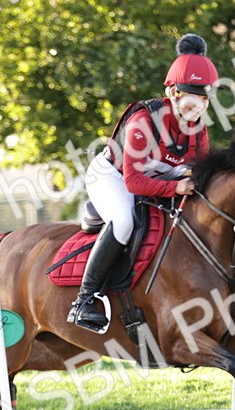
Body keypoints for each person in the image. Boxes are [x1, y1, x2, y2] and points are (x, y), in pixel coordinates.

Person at [67, 33, 218, 333]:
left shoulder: (199, 131)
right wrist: (175, 188)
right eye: (193, 97)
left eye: (204, 99)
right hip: (114, 177)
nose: (199, 106)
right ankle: (84, 300)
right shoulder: (144, 123)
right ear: (173, 93)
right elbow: (135, 182)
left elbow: (199, 175)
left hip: (158, 178)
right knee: (124, 222)